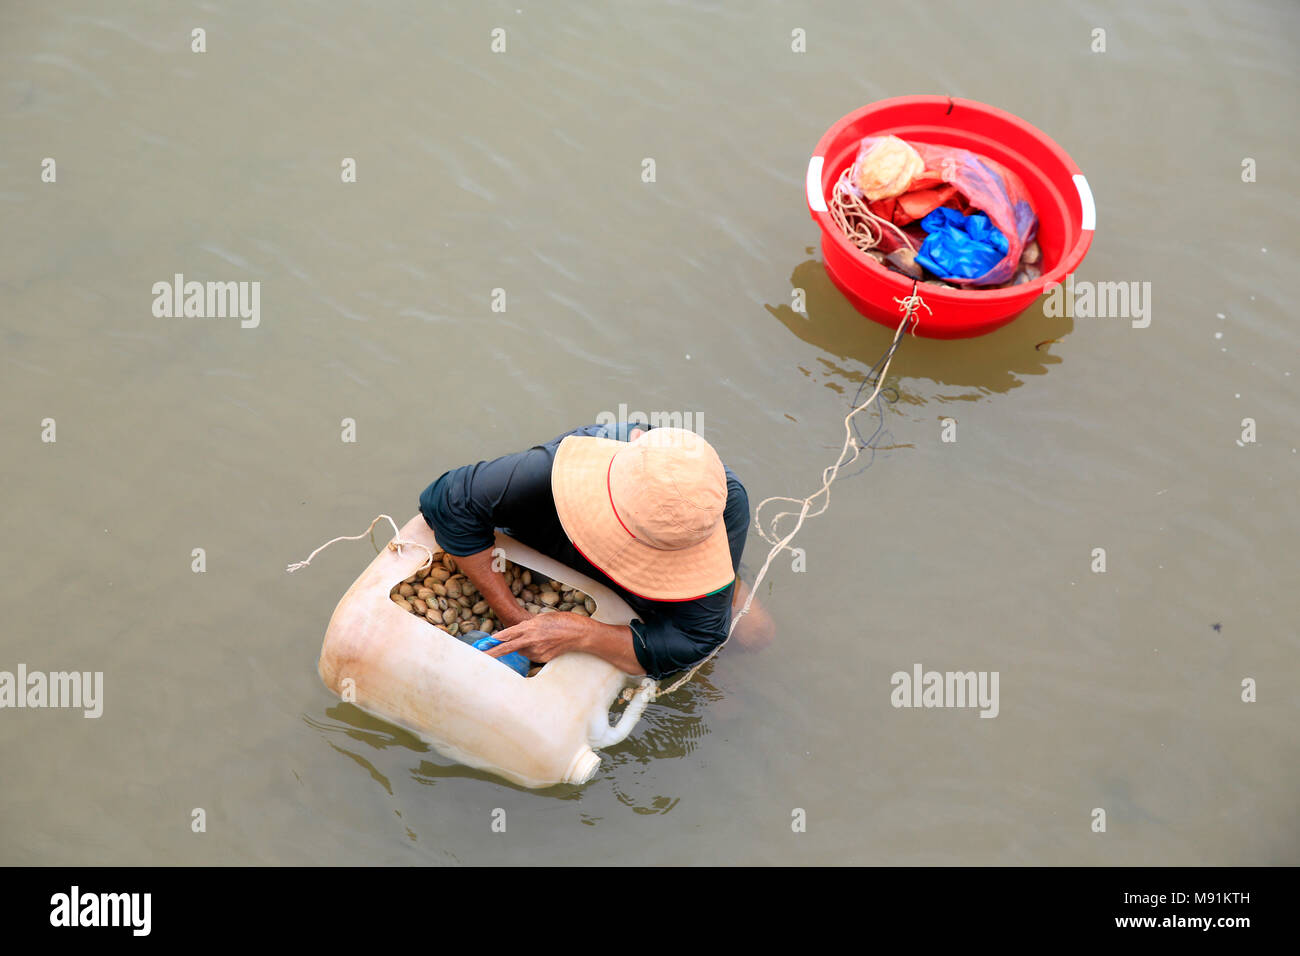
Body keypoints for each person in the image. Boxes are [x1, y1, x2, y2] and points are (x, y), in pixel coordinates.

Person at [418, 423, 772, 680]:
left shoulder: (719, 504)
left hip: (656, 588)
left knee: (758, 634)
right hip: (549, 543)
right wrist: (512, 614)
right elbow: (447, 501)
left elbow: (696, 637)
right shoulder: (559, 468)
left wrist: (582, 632)